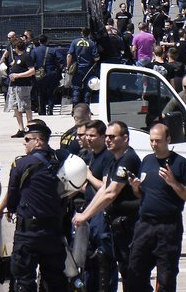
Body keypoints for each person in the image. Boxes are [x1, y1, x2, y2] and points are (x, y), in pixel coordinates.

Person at [0, 120, 69, 291]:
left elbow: (12, 199)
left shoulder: (21, 164)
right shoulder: (61, 160)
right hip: (54, 231)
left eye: (27, 139)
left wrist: (11, 209)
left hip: (28, 234)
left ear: (38, 141)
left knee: (23, 280)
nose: (24, 142)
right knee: (55, 280)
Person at [72, 121, 141, 291]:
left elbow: (111, 193)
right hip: (116, 225)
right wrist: (85, 215)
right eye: (108, 137)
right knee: (116, 267)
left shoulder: (128, 159)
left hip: (129, 226)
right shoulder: (115, 161)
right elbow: (104, 190)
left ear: (125, 138)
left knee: (131, 274)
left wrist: (85, 216)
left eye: (112, 137)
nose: (108, 140)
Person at [127, 123, 186, 292]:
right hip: (144, 226)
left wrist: (174, 183)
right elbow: (142, 195)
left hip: (168, 228)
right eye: (151, 140)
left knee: (166, 277)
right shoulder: (147, 161)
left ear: (169, 140)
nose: (154, 144)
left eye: (158, 141)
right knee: (135, 273)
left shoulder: (180, 164)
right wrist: (136, 188)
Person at [83, 120, 116, 292]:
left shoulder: (108, 157)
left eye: (92, 135)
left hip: (102, 215)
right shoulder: (90, 156)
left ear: (103, 137)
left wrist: (88, 175)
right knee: (89, 259)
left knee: (104, 258)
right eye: (87, 135)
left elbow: (104, 187)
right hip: (89, 212)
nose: (88, 139)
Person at [7, 40, 35, 139]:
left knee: (26, 106)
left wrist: (18, 75)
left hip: (23, 85)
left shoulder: (26, 57)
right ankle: (21, 129)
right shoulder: (17, 57)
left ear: (17, 48)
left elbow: (32, 71)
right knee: (15, 107)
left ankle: (30, 127)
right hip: (14, 85)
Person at [67, 28, 100, 105]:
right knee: (87, 88)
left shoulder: (75, 42)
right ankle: (86, 106)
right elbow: (96, 57)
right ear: (89, 34)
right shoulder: (91, 43)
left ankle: (75, 106)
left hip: (77, 68)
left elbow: (69, 55)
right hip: (88, 69)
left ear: (81, 33)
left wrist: (68, 67)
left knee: (76, 87)